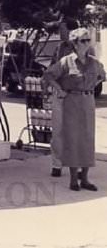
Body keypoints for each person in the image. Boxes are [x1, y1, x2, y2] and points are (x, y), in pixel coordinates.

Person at [42, 27, 106, 191]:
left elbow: (102, 75)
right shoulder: (66, 61)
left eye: (88, 40)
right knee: (73, 138)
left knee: (87, 139)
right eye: (83, 40)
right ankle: (73, 179)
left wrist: (92, 86)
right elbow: (49, 75)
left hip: (88, 101)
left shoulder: (93, 62)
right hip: (72, 100)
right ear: (75, 43)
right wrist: (60, 90)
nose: (87, 43)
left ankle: (84, 178)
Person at [48, 19, 77, 178]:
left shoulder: (83, 48)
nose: (60, 33)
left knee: (75, 131)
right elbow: (52, 68)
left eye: (63, 29)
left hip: (76, 95)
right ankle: (56, 164)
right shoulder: (59, 48)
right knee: (57, 131)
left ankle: (77, 166)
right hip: (60, 93)